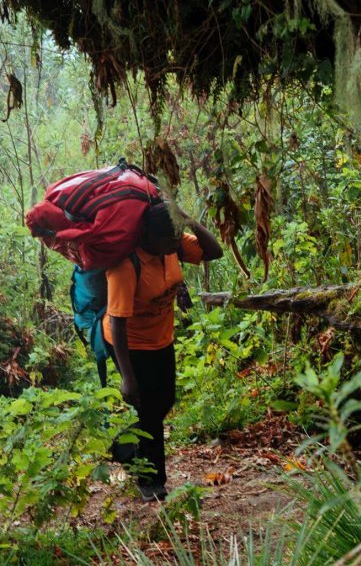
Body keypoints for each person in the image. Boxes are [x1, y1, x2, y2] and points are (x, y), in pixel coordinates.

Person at [103, 201, 223, 501]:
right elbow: (117, 323)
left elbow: (214, 252)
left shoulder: (170, 244)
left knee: (164, 401)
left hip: (161, 338)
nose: (175, 245)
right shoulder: (126, 265)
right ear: (149, 236)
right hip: (128, 343)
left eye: (176, 238)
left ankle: (123, 447)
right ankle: (150, 482)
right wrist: (127, 378)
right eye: (169, 240)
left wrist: (188, 220)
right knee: (149, 411)